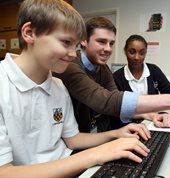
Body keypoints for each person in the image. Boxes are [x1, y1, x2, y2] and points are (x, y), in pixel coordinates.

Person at [0, 1, 152, 177]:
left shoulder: (58, 85)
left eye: (75, 45)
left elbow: (73, 139)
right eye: (66, 42)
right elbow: (5, 172)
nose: (73, 54)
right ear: (29, 33)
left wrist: (116, 134)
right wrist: (96, 154)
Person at [53, 16, 170, 132]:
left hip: (98, 133)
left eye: (111, 43)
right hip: (81, 138)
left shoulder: (103, 68)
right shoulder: (70, 66)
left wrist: (151, 115)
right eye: (101, 42)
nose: (108, 49)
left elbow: (114, 96)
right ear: (83, 41)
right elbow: (106, 101)